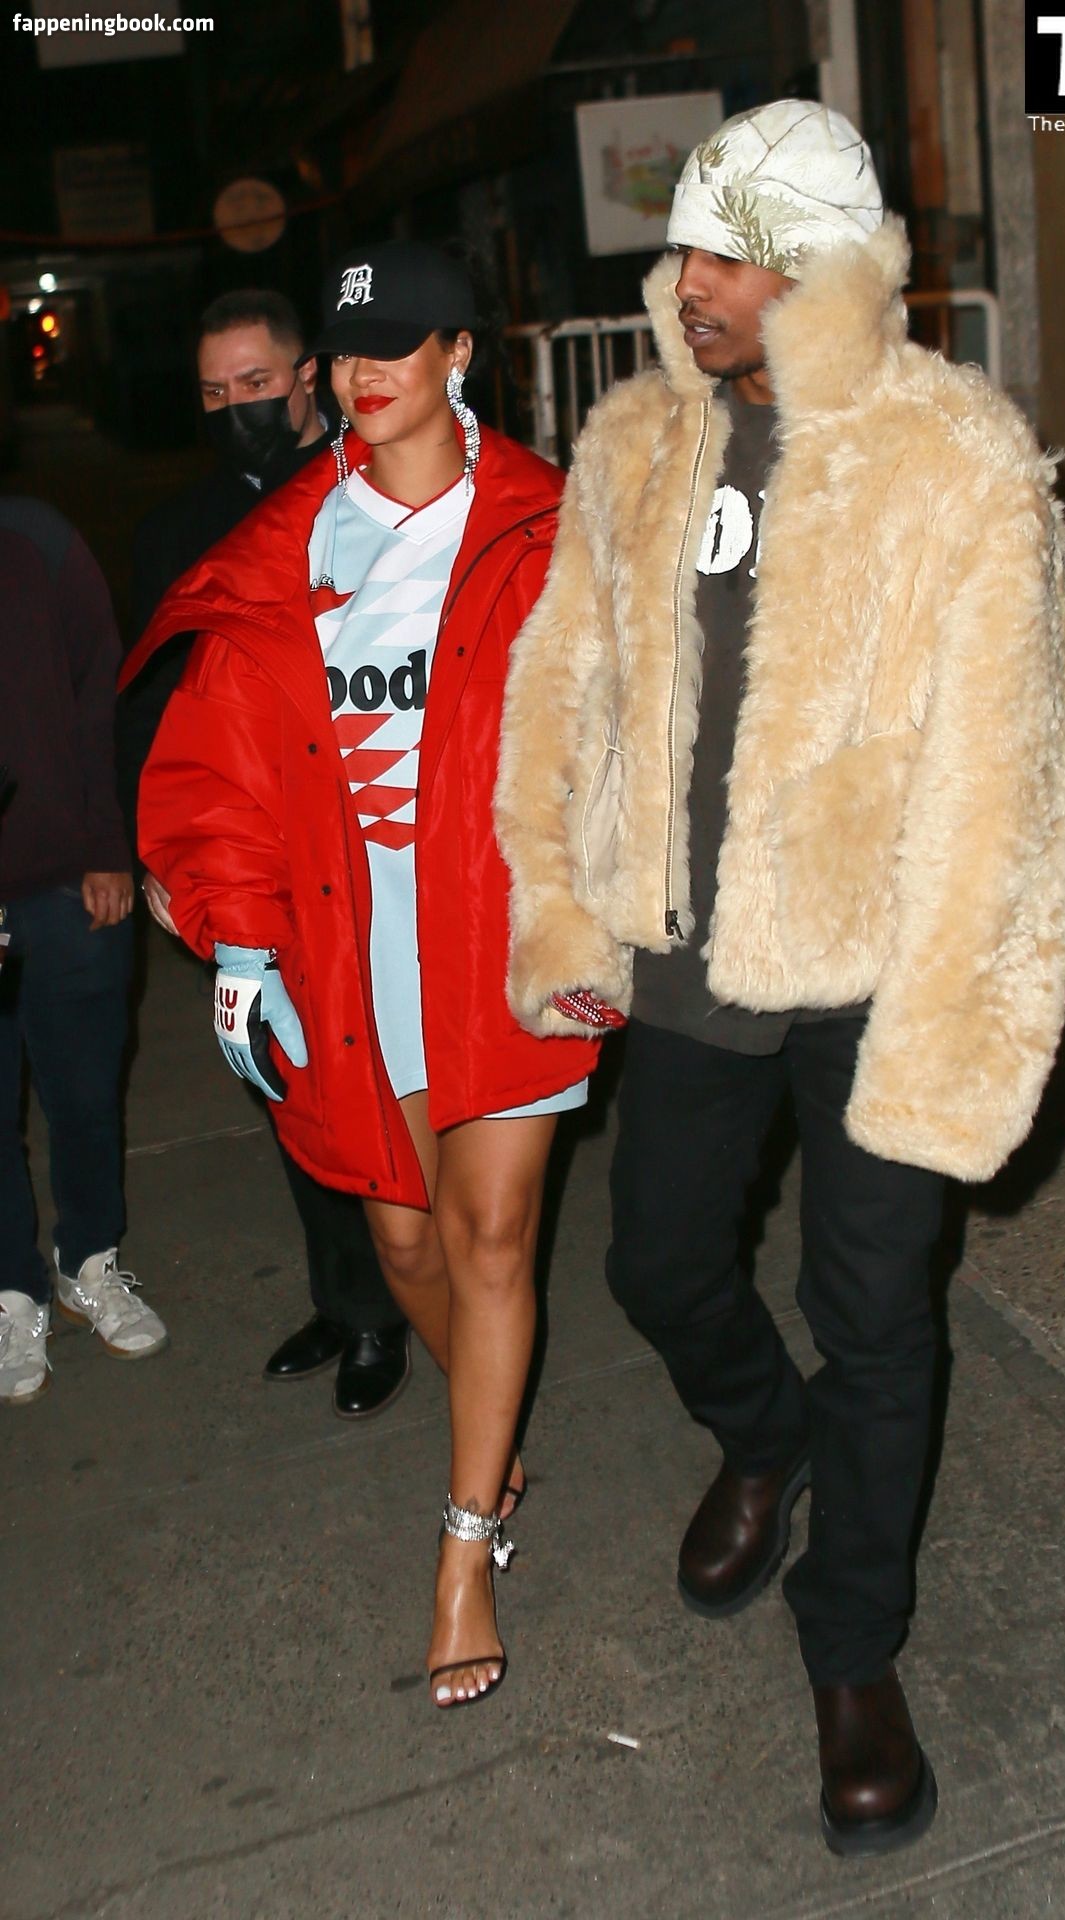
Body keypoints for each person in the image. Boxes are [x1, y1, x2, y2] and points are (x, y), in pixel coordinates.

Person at [496, 100, 1065, 1852]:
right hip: (693, 953)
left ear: (822, 267)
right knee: (658, 1259)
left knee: (878, 1315)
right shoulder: (637, 445)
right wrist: (563, 907)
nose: (690, 285)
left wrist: (956, 1030)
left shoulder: (956, 458)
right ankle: (766, 1436)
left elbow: (1013, 780)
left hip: (881, 970)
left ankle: (853, 1651)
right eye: (684, 251)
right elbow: (566, 685)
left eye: (729, 256)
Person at [127, 241, 599, 1705]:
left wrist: (610, 912)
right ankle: (488, 1433)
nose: (361, 373)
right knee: (403, 1251)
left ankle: (463, 1549)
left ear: (462, 354)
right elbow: (220, 765)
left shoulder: (550, 526)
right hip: (353, 939)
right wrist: (239, 937)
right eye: (344, 352)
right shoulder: (287, 546)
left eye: (397, 343)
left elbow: (630, 736)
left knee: (492, 1233)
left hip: (502, 931)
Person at [117, 288, 411, 1421]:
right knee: (284, 1084)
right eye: (212, 392)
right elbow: (152, 709)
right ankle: (347, 1299)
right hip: (248, 868)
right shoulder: (177, 531)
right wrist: (161, 854)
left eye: (253, 383)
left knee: (387, 1080)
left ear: (305, 377)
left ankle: (402, 1298)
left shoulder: (374, 493)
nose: (234, 406)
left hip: (368, 849)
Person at [0, 498, 167, 1406]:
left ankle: (89, 1262)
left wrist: (108, 845)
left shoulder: (42, 543)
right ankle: (11, 1294)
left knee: (85, 1094)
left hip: (69, 880)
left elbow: (102, 696)